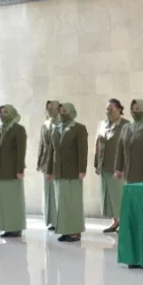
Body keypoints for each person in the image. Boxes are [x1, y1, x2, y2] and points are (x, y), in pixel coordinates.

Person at [52, 102, 88, 242]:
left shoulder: (79, 128)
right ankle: (65, 230)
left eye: (65, 111)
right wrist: (49, 170)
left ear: (71, 112)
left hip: (73, 171)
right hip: (58, 171)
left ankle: (75, 231)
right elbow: (51, 151)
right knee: (62, 203)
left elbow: (83, 150)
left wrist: (82, 169)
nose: (62, 114)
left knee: (73, 202)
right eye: (60, 111)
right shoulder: (56, 128)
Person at [0, 104, 27, 238]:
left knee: (14, 200)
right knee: (3, 201)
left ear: (12, 113)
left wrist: (20, 169)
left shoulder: (18, 129)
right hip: (0, 170)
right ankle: (7, 227)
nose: (2, 114)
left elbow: (21, 151)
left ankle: (16, 227)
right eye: (1, 112)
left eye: (5, 112)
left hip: (13, 170)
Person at [95, 98, 128, 233]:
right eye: (107, 109)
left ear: (119, 110)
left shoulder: (126, 125)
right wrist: (96, 164)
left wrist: (123, 167)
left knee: (119, 196)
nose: (108, 112)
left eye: (111, 109)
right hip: (104, 165)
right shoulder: (102, 124)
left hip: (118, 168)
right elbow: (97, 144)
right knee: (108, 196)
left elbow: (128, 147)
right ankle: (115, 221)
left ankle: (125, 223)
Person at [115, 99, 143, 186]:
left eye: (137, 109)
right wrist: (118, 168)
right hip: (128, 172)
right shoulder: (126, 128)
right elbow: (120, 148)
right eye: (132, 109)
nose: (134, 111)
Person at [37, 101, 60, 231]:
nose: (50, 110)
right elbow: (42, 144)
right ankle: (51, 220)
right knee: (48, 192)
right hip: (46, 162)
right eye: (48, 108)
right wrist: (39, 161)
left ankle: (60, 220)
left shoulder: (61, 124)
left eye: (52, 107)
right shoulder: (45, 125)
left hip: (57, 162)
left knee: (57, 191)